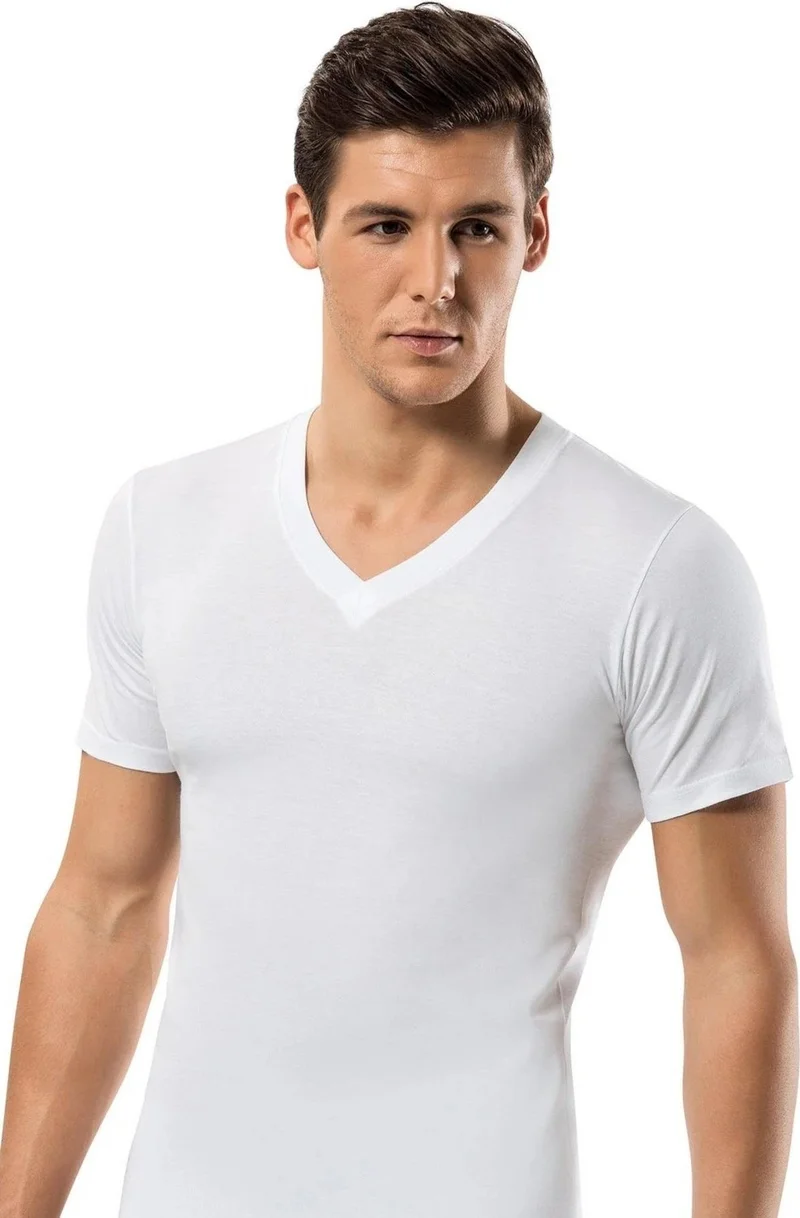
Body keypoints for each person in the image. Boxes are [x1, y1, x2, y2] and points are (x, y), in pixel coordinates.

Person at [0, 4, 796, 1216]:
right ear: (303, 228)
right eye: (386, 225)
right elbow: (103, 904)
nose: (436, 282)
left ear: (534, 233)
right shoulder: (166, 526)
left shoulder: (655, 564)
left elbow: (734, 960)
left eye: (476, 227)